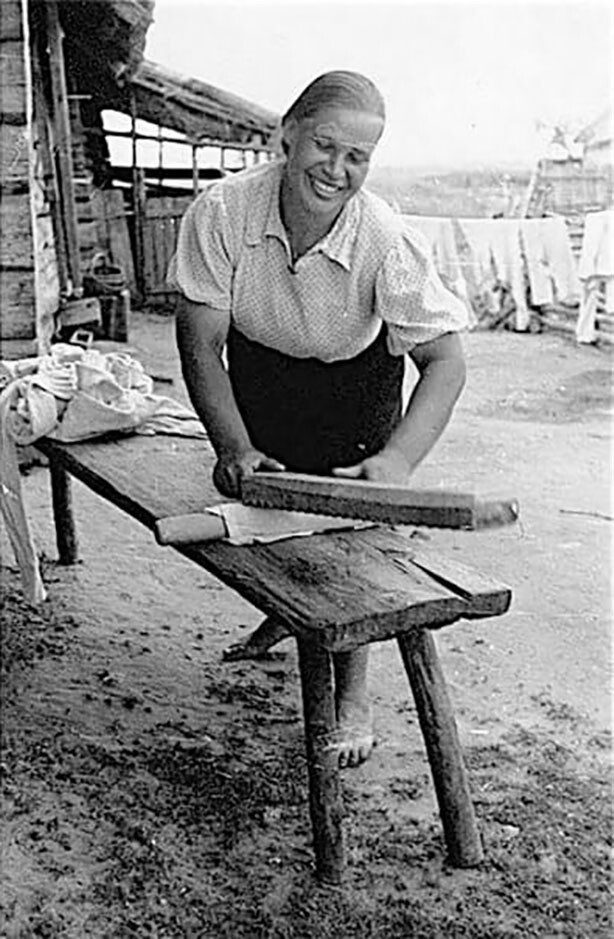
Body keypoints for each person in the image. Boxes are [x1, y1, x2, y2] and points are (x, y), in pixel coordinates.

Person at [171, 71, 469, 769]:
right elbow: (200, 341)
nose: (336, 169)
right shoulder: (223, 211)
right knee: (265, 510)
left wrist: (395, 462)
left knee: (349, 538)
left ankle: (352, 693)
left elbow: (446, 363)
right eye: (324, 145)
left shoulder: (385, 237)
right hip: (262, 372)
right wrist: (233, 444)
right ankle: (284, 617)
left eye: (357, 157)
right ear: (288, 134)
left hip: (353, 385)